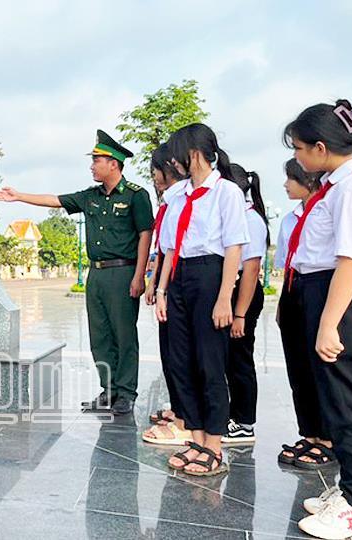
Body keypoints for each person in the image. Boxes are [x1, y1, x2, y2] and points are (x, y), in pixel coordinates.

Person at [0, 129, 153, 415]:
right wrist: (18, 196)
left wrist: (139, 275)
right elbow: (54, 200)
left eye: (97, 160)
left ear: (113, 163)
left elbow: (145, 235)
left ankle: (126, 393)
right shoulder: (89, 197)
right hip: (96, 274)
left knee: (124, 335)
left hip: (123, 272)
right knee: (100, 336)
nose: (92, 166)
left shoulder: (135, 196)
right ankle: (109, 390)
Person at [281, 100, 352, 539]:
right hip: (323, 293)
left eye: (300, 149)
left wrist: (328, 323)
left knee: (347, 404)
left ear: (321, 148)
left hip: (340, 298)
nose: (298, 159)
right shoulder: (336, 186)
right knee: (334, 402)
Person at [154, 123, 248, 477]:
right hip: (177, 276)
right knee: (180, 361)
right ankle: (194, 438)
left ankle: (214, 445)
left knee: (209, 362)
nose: (174, 162)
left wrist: (225, 298)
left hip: (211, 276)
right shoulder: (175, 197)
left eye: (178, 154)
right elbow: (169, 247)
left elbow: (234, 248)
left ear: (194, 154)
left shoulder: (227, 193)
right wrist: (162, 290)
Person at [274, 158, 334, 469]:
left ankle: (327, 437)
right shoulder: (289, 219)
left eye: (290, 179)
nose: (285, 185)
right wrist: (284, 303)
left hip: (320, 289)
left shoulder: (327, 209)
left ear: (308, 180)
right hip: (294, 288)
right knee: (298, 366)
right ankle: (309, 432)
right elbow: (286, 264)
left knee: (319, 367)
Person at [142, 143, 191, 445]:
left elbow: (172, 248)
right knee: (171, 352)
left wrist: (160, 286)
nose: (154, 177)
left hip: (184, 279)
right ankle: (180, 411)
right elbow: (163, 248)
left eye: (155, 171)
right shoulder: (169, 203)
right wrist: (155, 283)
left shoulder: (181, 200)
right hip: (170, 280)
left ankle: (186, 420)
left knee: (181, 355)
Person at [222, 164, 269, 445]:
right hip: (236, 290)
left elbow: (250, 271)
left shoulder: (251, 220)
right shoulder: (240, 217)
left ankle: (244, 422)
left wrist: (240, 314)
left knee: (240, 360)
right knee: (231, 359)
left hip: (244, 293)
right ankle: (234, 414)